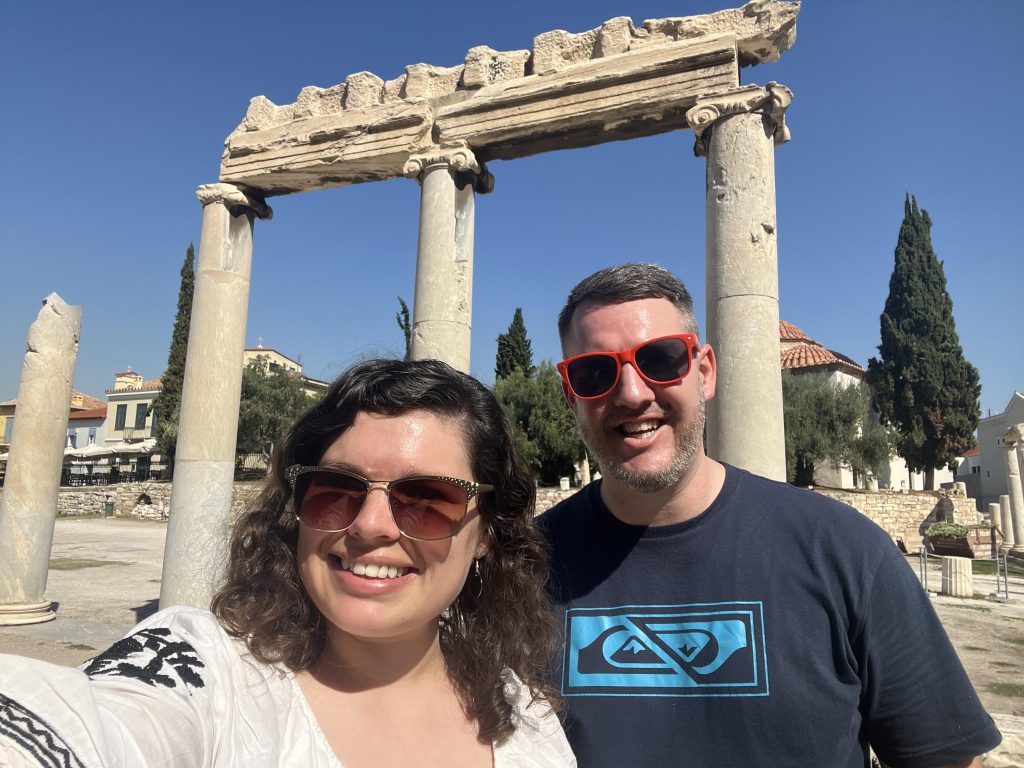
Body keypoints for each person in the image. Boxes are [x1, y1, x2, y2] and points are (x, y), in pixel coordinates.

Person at [0, 358, 575, 768]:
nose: (370, 525)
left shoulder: (524, 715)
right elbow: (95, 726)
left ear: (486, 533)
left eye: (427, 498)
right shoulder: (206, 668)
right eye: (335, 489)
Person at [538, 263, 1000, 768]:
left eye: (661, 359)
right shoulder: (520, 569)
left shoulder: (846, 553)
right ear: (570, 395)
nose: (632, 393)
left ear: (705, 372)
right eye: (594, 373)